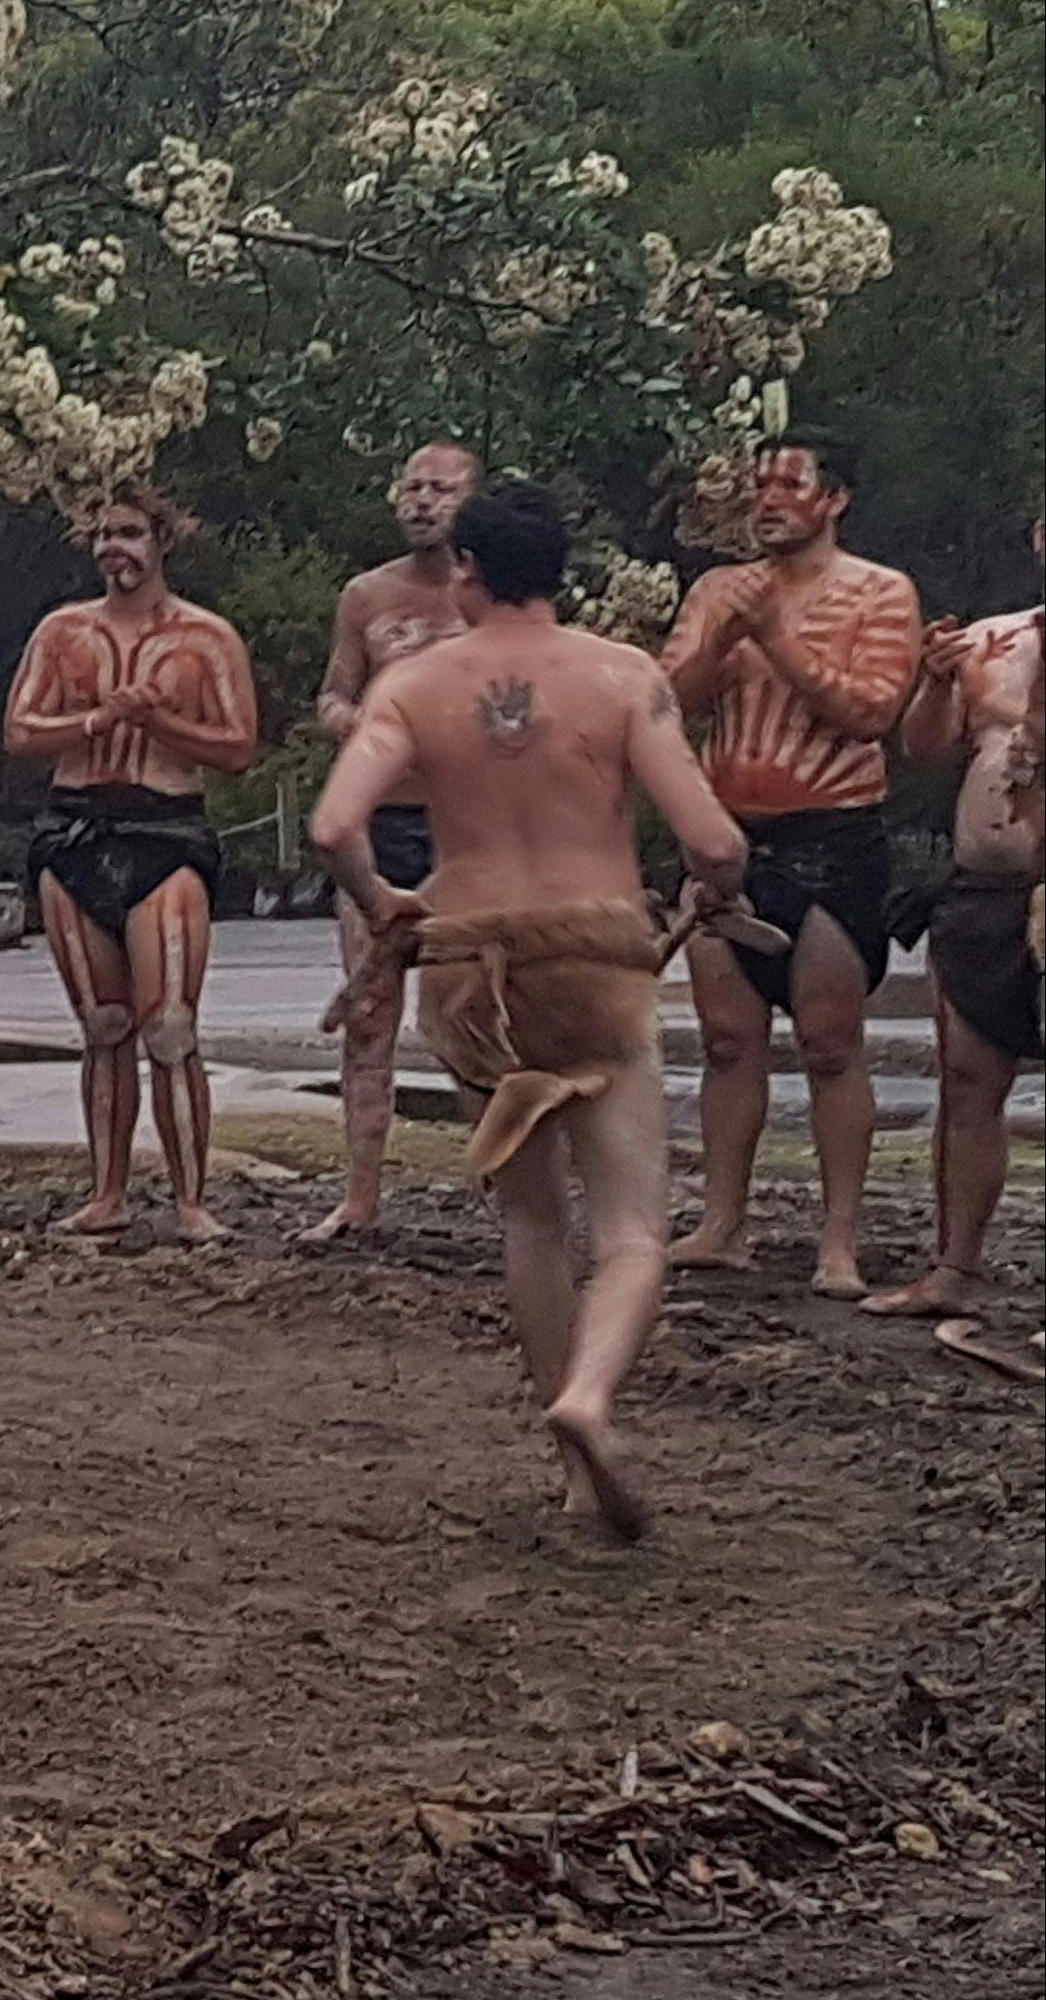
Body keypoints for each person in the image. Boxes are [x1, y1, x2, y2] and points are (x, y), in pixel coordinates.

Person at [311, 479, 750, 1541]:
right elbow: (714, 839)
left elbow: (332, 825)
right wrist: (714, 892)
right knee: (635, 1226)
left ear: (465, 569)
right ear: (559, 573)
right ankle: (590, 1395)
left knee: (529, 1215)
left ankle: (566, 1466)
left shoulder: (413, 686)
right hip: (592, 950)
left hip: (466, 963)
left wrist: (380, 904)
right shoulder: (619, 677)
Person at [657, 434, 925, 1299]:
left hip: (833, 837)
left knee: (828, 1045)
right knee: (728, 1042)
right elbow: (664, 704)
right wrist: (721, 635)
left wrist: (775, 635)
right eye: (759, 483)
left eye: (789, 483)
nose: (768, 497)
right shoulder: (717, 589)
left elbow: (872, 712)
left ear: (834, 499)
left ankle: (838, 1240)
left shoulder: (880, 592)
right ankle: (722, 1221)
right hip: (730, 836)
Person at [4, 486, 263, 1242]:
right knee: (104, 1024)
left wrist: (159, 720)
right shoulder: (61, 632)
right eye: (102, 535)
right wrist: (96, 719)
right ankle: (107, 1194)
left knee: (171, 1026)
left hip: (165, 832)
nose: (114, 547)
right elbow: (20, 731)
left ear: (162, 541)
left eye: (129, 533)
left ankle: (191, 1203)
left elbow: (240, 747)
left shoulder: (206, 639)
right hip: (76, 827)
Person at [302, 441, 486, 1244]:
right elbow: (332, 695)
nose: (422, 502)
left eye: (441, 490)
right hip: (383, 825)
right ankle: (360, 1194)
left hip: (467, 828)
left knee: (472, 1016)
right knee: (370, 1015)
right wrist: (370, 723)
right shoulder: (367, 597)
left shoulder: (487, 597)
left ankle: (499, 1179)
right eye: (411, 487)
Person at [871, 517, 1041, 1320]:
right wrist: (936, 684)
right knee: (968, 1079)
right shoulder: (990, 641)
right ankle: (953, 1269)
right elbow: (925, 751)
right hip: (985, 892)